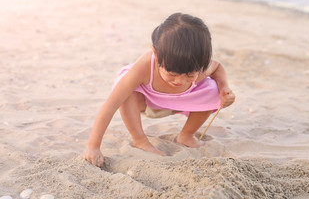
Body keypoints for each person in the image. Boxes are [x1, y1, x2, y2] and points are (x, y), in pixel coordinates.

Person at [83, 13, 235, 167]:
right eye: (172, 74)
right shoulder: (145, 66)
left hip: (180, 103)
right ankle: (140, 140)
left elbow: (217, 67)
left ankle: (186, 135)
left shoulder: (198, 65)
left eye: (190, 75)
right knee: (126, 91)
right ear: (156, 54)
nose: (180, 81)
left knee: (212, 89)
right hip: (145, 103)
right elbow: (111, 104)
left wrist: (224, 88)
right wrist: (93, 146)